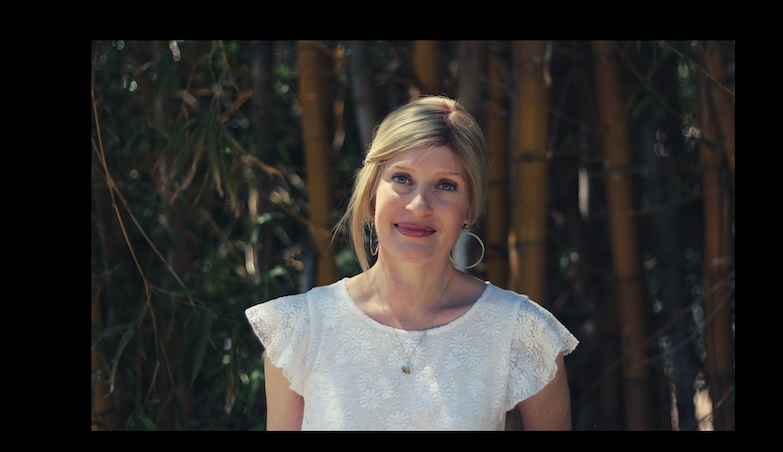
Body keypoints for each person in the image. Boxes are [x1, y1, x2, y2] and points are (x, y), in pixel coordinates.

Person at [245, 95, 579, 431]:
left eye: (446, 185)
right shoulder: (299, 329)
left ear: (469, 209)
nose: (419, 205)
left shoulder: (521, 332)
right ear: (373, 193)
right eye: (402, 178)